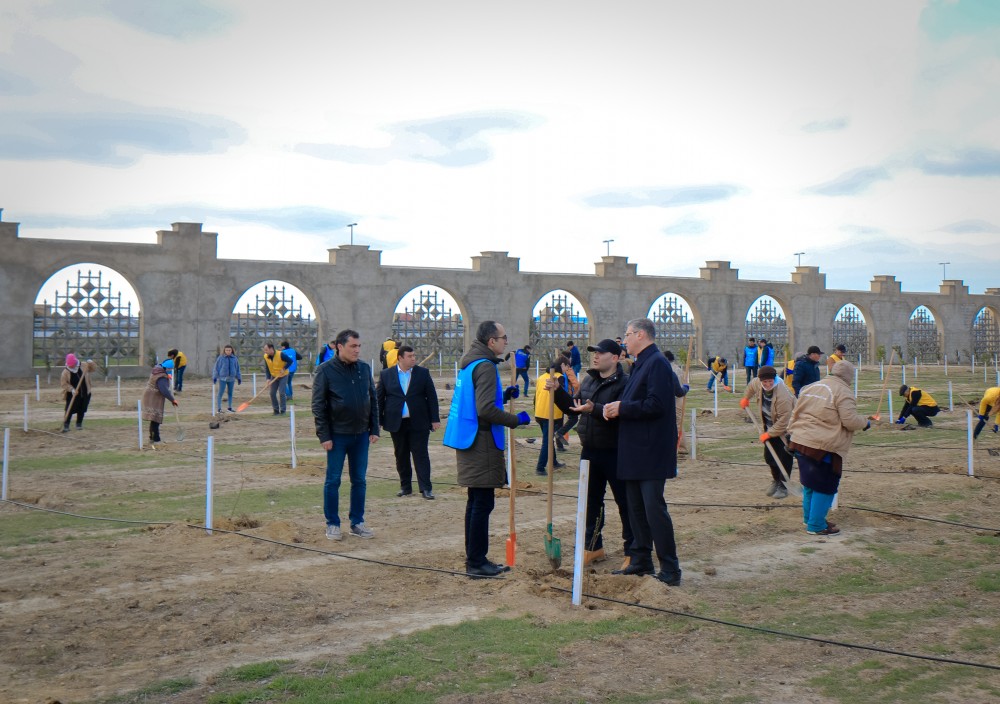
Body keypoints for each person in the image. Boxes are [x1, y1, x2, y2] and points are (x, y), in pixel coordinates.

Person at [443, 320, 530, 578]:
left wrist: (503, 395)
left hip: (471, 439)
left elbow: (478, 400)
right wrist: (516, 420)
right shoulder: (485, 367)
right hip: (481, 443)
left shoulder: (472, 363)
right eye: (503, 337)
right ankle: (477, 562)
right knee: (482, 504)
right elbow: (485, 410)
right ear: (491, 342)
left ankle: (475, 559)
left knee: (476, 502)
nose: (506, 341)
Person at [602, 318, 682, 587]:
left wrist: (622, 408)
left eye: (627, 335)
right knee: (635, 508)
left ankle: (670, 568)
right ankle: (641, 560)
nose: (624, 340)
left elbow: (656, 404)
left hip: (651, 450)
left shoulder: (657, 363)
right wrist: (616, 406)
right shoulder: (640, 363)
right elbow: (636, 399)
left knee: (653, 509)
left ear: (640, 334)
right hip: (635, 450)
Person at [548, 338, 634, 568]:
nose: (595, 356)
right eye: (594, 352)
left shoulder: (625, 383)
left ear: (615, 358)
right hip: (590, 452)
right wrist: (558, 393)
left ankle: (633, 551)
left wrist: (594, 409)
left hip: (616, 452)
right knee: (590, 503)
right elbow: (575, 408)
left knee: (626, 503)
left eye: (601, 353)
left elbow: (620, 414)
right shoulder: (588, 380)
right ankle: (593, 547)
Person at [788, 361, 871, 535]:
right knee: (825, 486)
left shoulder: (811, 387)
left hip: (800, 441)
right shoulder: (844, 392)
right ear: (849, 376)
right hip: (822, 447)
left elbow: (796, 412)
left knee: (809, 484)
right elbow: (849, 420)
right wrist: (865, 422)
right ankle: (816, 526)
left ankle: (809, 519)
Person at [312, 329, 380, 541]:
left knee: (359, 480)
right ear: (339, 346)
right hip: (337, 436)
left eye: (359, 346)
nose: (357, 350)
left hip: (361, 436)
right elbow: (318, 406)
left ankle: (357, 522)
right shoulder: (325, 371)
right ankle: (332, 523)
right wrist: (324, 436)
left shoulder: (364, 368)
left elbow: (373, 399)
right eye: (353, 346)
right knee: (333, 480)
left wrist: (374, 428)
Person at [377, 345, 441, 499]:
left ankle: (426, 488)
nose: (413, 358)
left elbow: (431, 397)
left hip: (419, 422)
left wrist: (435, 419)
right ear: (400, 358)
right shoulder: (386, 374)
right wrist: (377, 421)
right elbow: (379, 399)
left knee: (421, 454)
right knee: (401, 455)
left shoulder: (423, 373)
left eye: (414, 356)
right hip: (396, 422)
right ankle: (405, 487)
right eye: (410, 356)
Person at [739, 365, 796, 498]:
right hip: (770, 425)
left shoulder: (783, 395)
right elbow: (751, 386)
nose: (768, 384)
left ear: (775, 379)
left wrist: (769, 434)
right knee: (769, 456)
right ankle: (776, 480)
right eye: (765, 382)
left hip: (788, 428)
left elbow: (784, 421)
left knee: (784, 456)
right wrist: (746, 398)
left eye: (770, 381)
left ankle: (783, 486)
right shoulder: (758, 383)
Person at [533, 360, 567, 474]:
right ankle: (540, 468)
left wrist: (535, 411)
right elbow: (563, 395)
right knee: (547, 442)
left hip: (539, 412)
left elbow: (535, 396)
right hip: (550, 414)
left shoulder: (541, 377)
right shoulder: (560, 377)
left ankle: (553, 462)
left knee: (548, 440)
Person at [141, 363, 178, 444]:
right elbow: (164, 390)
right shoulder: (161, 377)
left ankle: (153, 438)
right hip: (153, 398)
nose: (171, 371)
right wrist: (172, 399)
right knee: (155, 418)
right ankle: (156, 439)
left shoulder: (157, 371)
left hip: (150, 397)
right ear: (167, 368)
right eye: (170, 369)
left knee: (153, 418)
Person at [60, 353, 93, 432]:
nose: (71, 366)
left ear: (75, 362)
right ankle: (66, 425)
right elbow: (64, 384)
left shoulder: (83, 365)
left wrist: (91, 363)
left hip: (85, 392)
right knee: (69, 409)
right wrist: (71, 389)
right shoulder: (65, 372)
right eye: (70, 365)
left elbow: (93, 369)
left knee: (82, 408)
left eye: (72, 364)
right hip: (72, 394)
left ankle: (79, 424)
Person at [263, 343, 292, 415]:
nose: (265, 351)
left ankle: (283, 411)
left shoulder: (281, 354)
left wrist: (284, 368)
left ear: (271, 349)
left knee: (282, 393)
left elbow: (290, 361)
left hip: (283, 375)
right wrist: (268, 378)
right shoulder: (266, 357)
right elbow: (267, 369)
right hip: (274, 376)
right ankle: (276, 411)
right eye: (264, 350)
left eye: (266, 350)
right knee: (272, 393)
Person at [212, 344, 242, 412]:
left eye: (229, 350)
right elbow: (216, 368)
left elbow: (237, 368)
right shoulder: (220, 358)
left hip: (231, 378)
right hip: (223, 378)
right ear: (224, 351)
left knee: (230, 393)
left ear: (232, 351)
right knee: (220, 393)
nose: (228, 351)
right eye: (227, 350)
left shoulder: (234, 358)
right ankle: (219, 408)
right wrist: (215, 377)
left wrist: (239, 377)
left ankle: (229, 408)